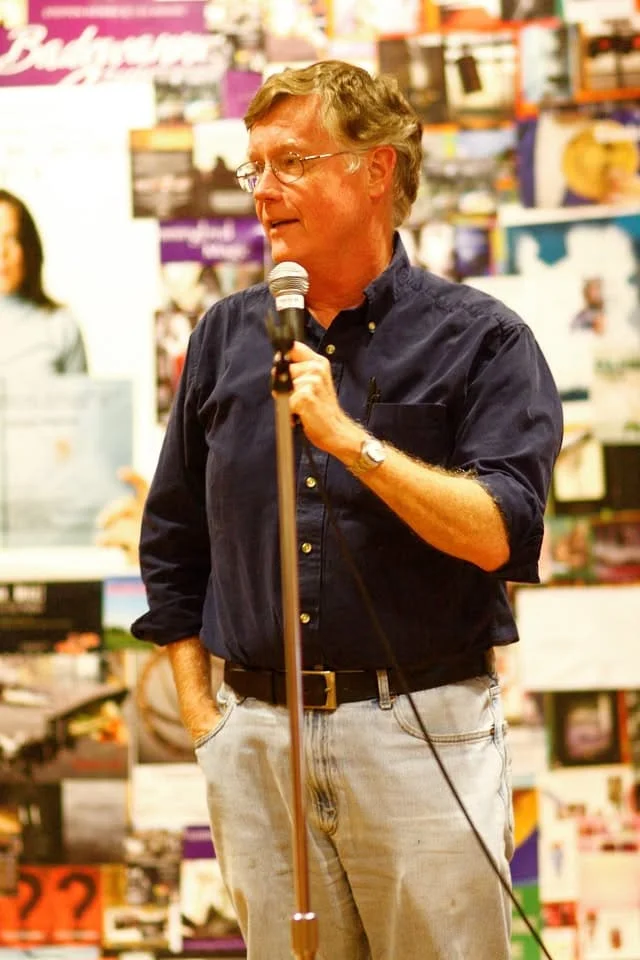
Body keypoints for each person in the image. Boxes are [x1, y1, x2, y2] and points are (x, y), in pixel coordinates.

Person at [132, 60, 563, 959]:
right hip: (256, 739)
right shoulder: (223, 335)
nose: (263, 191)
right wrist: (207, 719)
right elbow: (173, 541)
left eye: (291, 161)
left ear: (375, 169)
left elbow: (500, 532)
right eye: (254, 167)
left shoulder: (483, 339)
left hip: (420, 730)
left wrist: (349, 440)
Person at [0, 189, 88, 377]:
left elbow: (82, 395)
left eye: (11, 238)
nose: (2, 252)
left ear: (28, 248)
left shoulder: (61, 326)